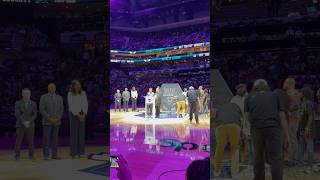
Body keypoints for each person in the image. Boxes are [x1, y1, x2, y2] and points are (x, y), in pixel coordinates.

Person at [244, 79, 289, 180]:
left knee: (258, 157)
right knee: (276, 158)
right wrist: (286, 134)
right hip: (274, 128)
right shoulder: (275, 95)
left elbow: (247, 116)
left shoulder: (249, 97)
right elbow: (282, 116)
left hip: (257, 129)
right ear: (266, 86)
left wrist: (256, 122)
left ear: (255, 87)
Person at [213, 102, 242, 179]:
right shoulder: (237, 106)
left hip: (220, 126)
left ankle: (216, 171)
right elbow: (241, 119)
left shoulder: (220, 108)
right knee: (234, 148)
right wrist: (241, 131)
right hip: (234, 125)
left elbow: (215, 121)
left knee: (219, 148)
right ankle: (234, 173)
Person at [39, 83, 64, 160]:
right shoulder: (43, 97)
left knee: (55, 139)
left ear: (55, 88)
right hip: (47, 121)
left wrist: (58, 118)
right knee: (46, 139)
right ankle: (46, 155)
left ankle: (54, 155)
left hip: (57, 121)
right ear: (48, 88)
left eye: (53, 87)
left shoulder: (59, 97)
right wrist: (49, 118)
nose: (52, 88)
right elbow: (41, 109)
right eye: (50, 87)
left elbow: (61, 109)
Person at [230, 84, 253, 164]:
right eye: (238, 88)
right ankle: (238, 160)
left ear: (245, 88)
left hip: (249, 122)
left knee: (250, 142)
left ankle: (251, 160)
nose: (239, 90)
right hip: (237, 122)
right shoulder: (234, 99)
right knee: (237, 142)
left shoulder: (250, 97)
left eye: (241, 88)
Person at [14, 88, 37, 160]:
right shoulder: (18, 103)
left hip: (30, 124)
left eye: (28, 93)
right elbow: (17, 114)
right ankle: (17, 156)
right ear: (22, 94)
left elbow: (35, 114)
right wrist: (24, 122)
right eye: (25, 93)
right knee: (18, 141)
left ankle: (31, 155)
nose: (27, 95)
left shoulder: (33, 103)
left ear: (30, 94)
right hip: (20, 124)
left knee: (31, 141)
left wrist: (29, 122)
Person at [68, 80, 88, 158]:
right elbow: (71, 105)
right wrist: (77, 114)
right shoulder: (70, 94)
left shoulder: (83, 93)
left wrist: (84, 114)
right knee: (74, 134)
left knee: (81, 134)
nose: (78, 86)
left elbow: (85, 103)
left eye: (79, 85)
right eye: (77, 85)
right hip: (73, 114)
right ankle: (74, 153)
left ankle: (81, 152)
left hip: (82, 114)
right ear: (73, 86)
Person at [283, 78, 300, 166]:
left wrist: (289, 111)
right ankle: (290, 158)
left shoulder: (295, 93)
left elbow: (297, 106)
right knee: (290, 138)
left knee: (292, 138)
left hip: (293, 119)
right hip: (288, 119)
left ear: (289, 83)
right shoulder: (288, 93)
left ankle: (294, 159)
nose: (284, 83)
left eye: (285, 82)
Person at [298, 87, 316, 172]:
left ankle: (311, 164)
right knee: (301, 146)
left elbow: (310, 116)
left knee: (309, 146)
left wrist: (307, 128)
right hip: (302, 128)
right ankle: (301, 163)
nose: (299, 93)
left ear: (304, 94)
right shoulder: (303, 103)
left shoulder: (308, 103)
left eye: (300, 92)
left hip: (307, 128)